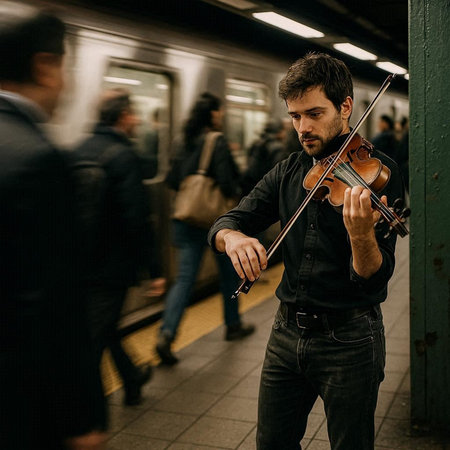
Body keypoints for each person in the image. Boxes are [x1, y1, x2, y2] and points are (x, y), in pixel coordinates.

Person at [208, 53, 404, 449]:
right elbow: (226, 221)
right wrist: (235, 239)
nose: (303, 128)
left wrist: (362, 236)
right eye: (295, 116)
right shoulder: (289, 170)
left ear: (345, 106)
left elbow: (374, 276)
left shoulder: (380, 171)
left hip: (349, 338)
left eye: (313, 114)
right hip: (285, 333)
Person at [0, 3, 106, 449]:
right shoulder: (40, 159)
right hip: (20, 402)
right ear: (46, 68)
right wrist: (82, 415)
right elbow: (54, 304)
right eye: (67, 69)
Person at [73, 88, 166, 406]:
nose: (137, 120)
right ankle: (85, 415)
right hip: (111, 267)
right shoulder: (123, 156)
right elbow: (136, 219)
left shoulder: (78, 149)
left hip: (78, 262)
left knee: (104, 325)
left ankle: (131, 378)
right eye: (133, 114)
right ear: (123, 117)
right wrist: (153, 269)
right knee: (93, 341)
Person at [156, 92, 255, 365]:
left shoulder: (182, 141)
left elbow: (173, 180)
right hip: (213, 222)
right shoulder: (217, 141)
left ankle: (166, 333)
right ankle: (233, 325)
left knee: (185, 279)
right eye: (220, 112)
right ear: (213, 114)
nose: (221, 116)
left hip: (185, 219)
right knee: (228, 275)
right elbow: (226, 182)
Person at [240, 117, 288, 196]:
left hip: (251, 187)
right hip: (265, 189)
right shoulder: (278, 148)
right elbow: (277, 175)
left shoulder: (256, 143)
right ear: (279, 132)